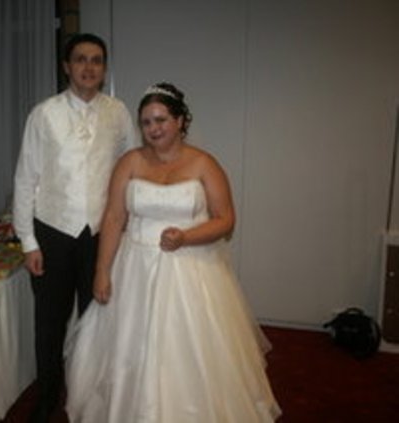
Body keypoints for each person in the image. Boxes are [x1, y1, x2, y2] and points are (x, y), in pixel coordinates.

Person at [65, 83, 282, 422]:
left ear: (180, 121)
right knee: (129, 348)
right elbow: (114, 217)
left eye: (161, 120)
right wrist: (102, 271)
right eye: (146, 122)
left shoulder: (204, 164)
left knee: (188, 351)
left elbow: (226, 220)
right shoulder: (129, 162)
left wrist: (186, 237)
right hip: (134, 268)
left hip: (190, 267)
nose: (153, 129)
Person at [12, 33, 137, 423]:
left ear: (104, 68)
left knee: (98, 322)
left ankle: (93, 397)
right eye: (80, 59)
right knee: (49, 325)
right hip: (52, 232)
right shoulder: (43, 114)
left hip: (101, 235)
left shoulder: (118, 112)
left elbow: (131, 171)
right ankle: (48, 396)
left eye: (96, 60)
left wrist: (129, 227)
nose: (88, 67)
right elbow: (25, 178)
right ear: (66, 66)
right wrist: (27, 241)